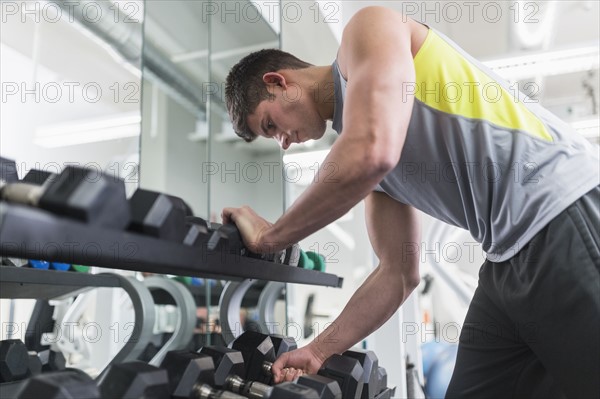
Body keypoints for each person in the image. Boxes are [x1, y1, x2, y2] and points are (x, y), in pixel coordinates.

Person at [221, 6, 599, 398]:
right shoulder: (367, 157)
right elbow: (398, 274)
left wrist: (271, 236)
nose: (282, 141)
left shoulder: (367, 30)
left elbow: (371, 152)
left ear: (278, 82)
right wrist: (319, 349)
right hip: (505, 255)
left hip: (560, 207)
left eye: (270, 125)